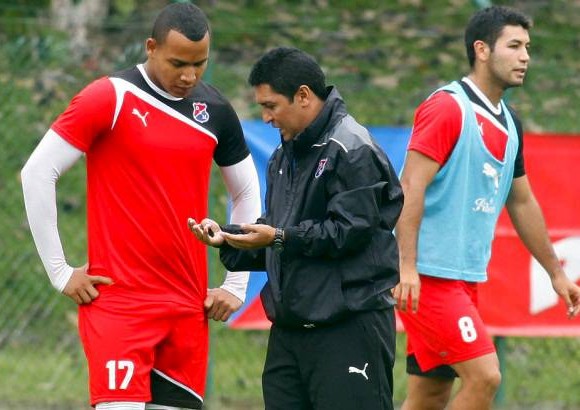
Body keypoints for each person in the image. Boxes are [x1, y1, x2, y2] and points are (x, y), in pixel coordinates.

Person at [21, 3, 261, 410]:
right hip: (121, 306)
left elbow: (247, 192)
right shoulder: (108, 97)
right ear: (151, 47)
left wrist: (237, 285)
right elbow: (37, 173)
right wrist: (60, 272)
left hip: (187, 308)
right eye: (178, 63)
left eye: (200, 64)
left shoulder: (215, 110)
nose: (189, 75)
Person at [188, 46, 403, 409]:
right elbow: (279, 233)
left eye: (271, 106)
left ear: (303, 96)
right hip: (290, 334)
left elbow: (349, 233)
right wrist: (229, 237)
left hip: (349, 327)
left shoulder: (352, 148)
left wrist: (280, 237)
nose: (266, 117)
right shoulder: (283, 155)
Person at [393, 5, 580, 410]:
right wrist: (406, 266)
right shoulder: (447, 107)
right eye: (514, 46)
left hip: (463, 279)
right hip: (428, 278)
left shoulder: (509, 122)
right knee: (486, 377)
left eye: (527, 47)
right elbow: (410, 186)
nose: (525, 56)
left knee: (429, 394)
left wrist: (555, 273)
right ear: (482, 50)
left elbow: (522, 200)